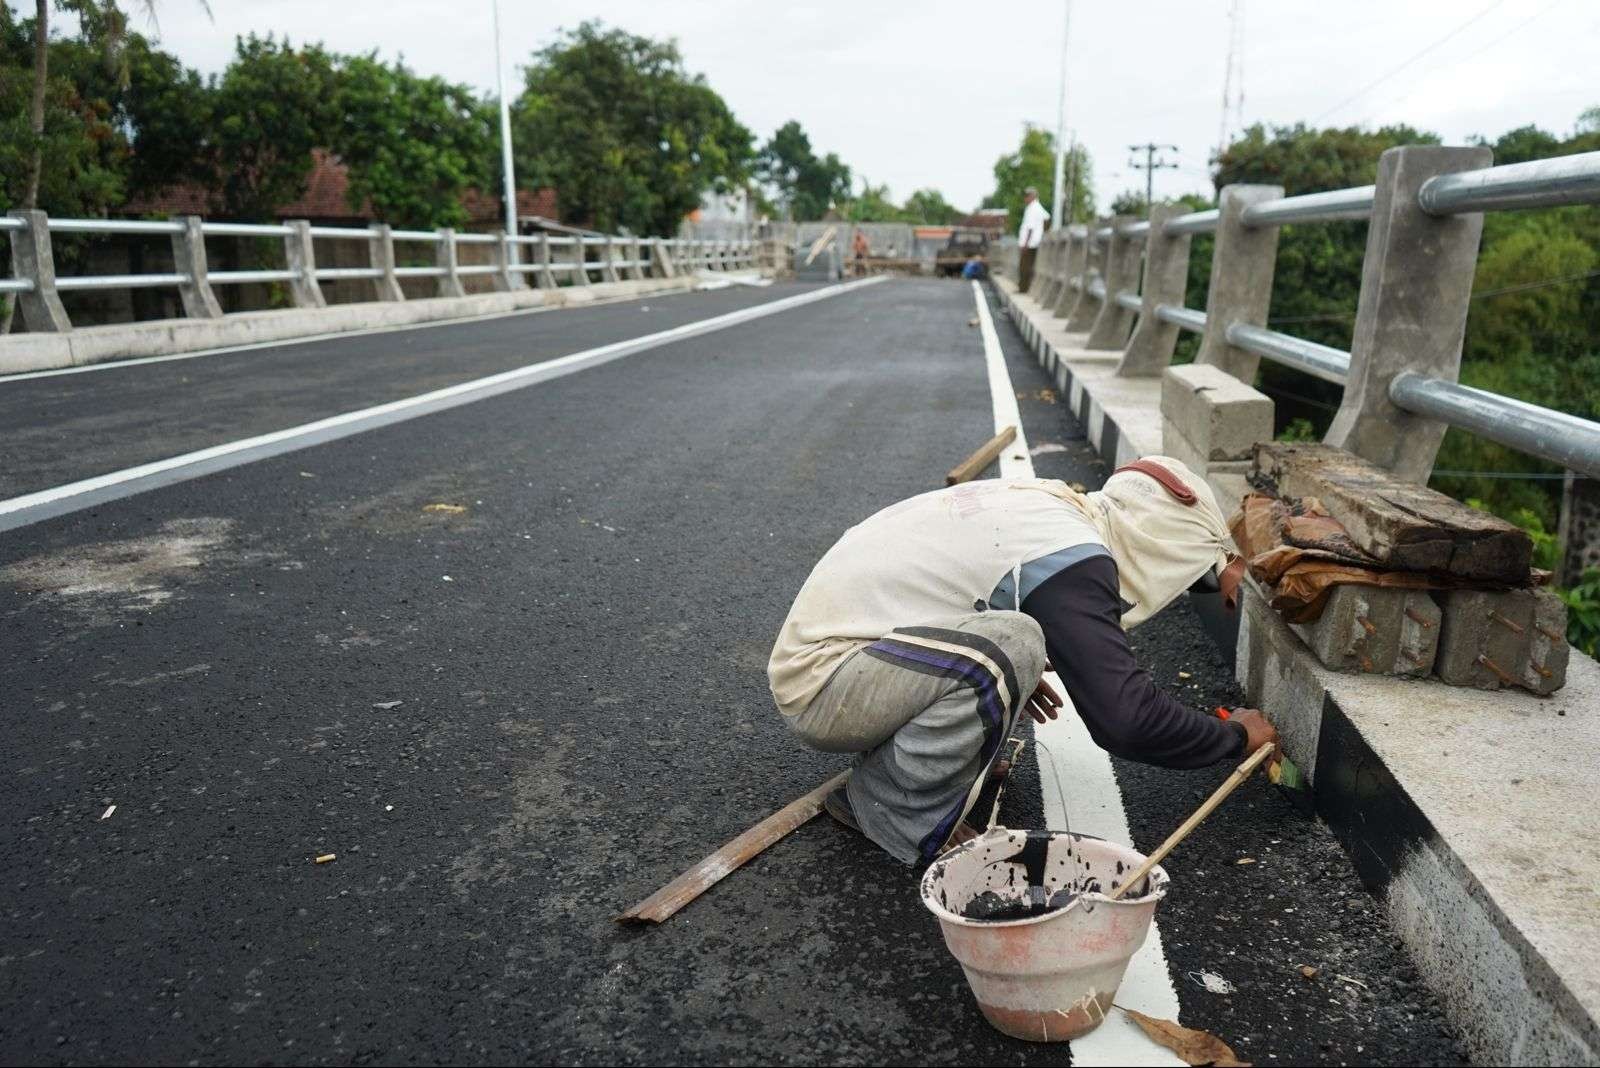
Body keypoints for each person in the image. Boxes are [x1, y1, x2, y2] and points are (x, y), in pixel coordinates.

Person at [767, 456, 1276, 866]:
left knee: (1015, 653)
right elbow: (1126, 720)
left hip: (853, 666)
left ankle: (911, 768)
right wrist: (1235, 737)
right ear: (1167, 542)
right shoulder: (1073, 554)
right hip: (825, 685)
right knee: (1016, 642)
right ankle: (886, 808)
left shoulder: (1050, 506)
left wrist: (1006, 674)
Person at [1016, 186, 1050, 292]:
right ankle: (1024, 288)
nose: (1025, 198)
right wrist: (1043, 233)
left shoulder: (1032, 208)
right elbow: (1047, 218)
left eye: (1027, 195)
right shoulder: (1038, 208)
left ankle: (1023, 289)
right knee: (1028, 266)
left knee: (1024, 267)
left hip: (1029, 243)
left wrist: (1026, 243)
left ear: (1033, 196)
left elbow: (1030, 228)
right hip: (1034, 242)